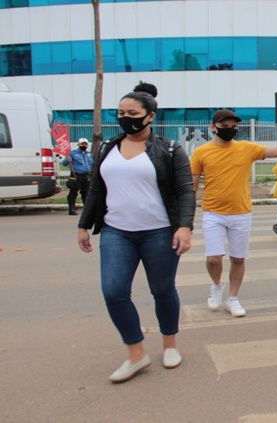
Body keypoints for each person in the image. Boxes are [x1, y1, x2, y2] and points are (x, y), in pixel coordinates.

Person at [76, 82, 195, 383]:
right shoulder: (107, 148)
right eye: (120, 112)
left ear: (150, 116)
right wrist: (83, 225)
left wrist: (184, 226)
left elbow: (184, 191)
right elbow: (95, 189)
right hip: (117, 232)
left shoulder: (169, 149)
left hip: (159, 232)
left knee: (162, 291)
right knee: (114, 292)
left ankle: (170, 344)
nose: (125, 117)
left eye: (132, 112)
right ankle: (136, 353)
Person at [191, 109, 277, 318]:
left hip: (241, 213)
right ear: (213, 127)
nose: (229, 130)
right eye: (224, 127)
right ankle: (217, 286)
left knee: (238, 259)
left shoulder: (247, 148)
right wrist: (184, 219)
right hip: (212, 213)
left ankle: (233, 298)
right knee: (214, 259)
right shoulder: (201, 152)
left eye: (233, 127)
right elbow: (192, 187)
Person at [62, 138, 94, 215]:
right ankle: (72, 209)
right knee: (73, 192)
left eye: (85, 144)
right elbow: (64, 163)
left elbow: (92, 163)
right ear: (78, 144)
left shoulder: (89, 154)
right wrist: (67, 160)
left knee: (86, 193)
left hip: (86, 176)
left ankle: (86, 210)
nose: (84, 145)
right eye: (82, 144)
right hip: (76, 175)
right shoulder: (73, 153)